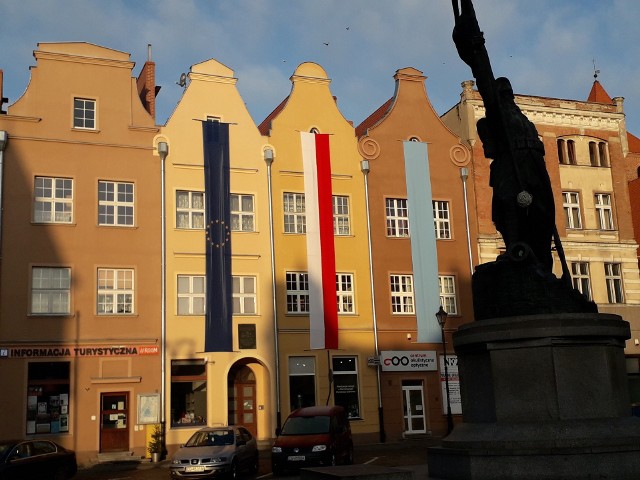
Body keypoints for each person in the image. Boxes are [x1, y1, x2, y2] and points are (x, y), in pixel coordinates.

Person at [452, 0, 559, 274]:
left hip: (534, 166)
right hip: (512, 167)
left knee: (544, 214)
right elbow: (483, 72)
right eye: (505, 92)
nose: (509, 96)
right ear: (499, 96)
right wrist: (474, 42)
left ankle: (541, 260)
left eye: (510, 92)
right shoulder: (497, 113)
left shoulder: (521, 118)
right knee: (511, 207)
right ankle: (518, 252)